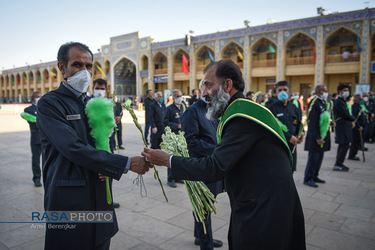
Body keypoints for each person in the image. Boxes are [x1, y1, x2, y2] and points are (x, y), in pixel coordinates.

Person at [143, 59, 306, 250]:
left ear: (228, 85)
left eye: (208, 85)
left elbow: (215, 167)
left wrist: (167, 160)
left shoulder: (241, 117)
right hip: (262, 200)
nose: (203, 93)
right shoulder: (241, 110)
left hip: (265, 209)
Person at [36, 42, 151, 250]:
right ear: (62, 67)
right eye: (77, 65)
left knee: (100, 241)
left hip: (99, 192)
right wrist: (126, 163)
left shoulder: (92, 103)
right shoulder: (50, 104)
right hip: (69, 196)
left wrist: (106, 165)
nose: (84, 72)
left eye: (88, 66)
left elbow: (101, 143)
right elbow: (72, 148)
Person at [182, 79, 224, 249]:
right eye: (206, 87)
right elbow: (190, 142)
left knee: (204, 206)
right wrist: (217, 149)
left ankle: (200, 236)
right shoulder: (192, 111)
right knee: (203, 208)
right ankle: (206, 245)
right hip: (200, 168)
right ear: (201, 90)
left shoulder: (214, 111)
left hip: (213, 166)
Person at [268, 81, 304, 173]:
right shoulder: (271, 108)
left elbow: (298, 123)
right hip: (278, 147)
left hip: (292, 147)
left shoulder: (293, 107)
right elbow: (272, 127)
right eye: (280, 90)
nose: (282, 92)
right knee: (279, 173)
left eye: (285, 90)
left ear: (289, 92)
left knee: (290, 171)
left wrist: (300, 134)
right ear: (275, 93)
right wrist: (289, 137)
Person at [303, 84, 332, 187]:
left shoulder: (323, 102)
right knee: (313, 158)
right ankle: (308, 178)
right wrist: (318, 137)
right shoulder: (314, 103)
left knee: (320, 157)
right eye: (325, 91)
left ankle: (315, 175)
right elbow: (313, 122)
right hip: (316, 137)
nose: (326, 93)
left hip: (323, 135)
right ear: (319, 92)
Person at [163, 89, 186, 187]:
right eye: (177, 96)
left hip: (181, 137)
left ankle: (178, 177)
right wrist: (177, 126)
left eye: (181, 95)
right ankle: (170, 178)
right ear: (173, 97)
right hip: (173, 137)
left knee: (180, 157)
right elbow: (165, 123)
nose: (180, 98)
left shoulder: (183, 107)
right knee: (172, 157)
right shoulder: (169, 109)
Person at [333, 84, 355, 172]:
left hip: (345, 125)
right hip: (342, 126)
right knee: (345, 144)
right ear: (340, 91)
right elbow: (345, 114)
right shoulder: (339, 101)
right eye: (345, 90)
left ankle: (339, 162)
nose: (347, 92)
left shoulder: (343, 101)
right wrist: (353, 119)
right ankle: (338, 163)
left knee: (343, 144)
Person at [23, 91, 43, 187]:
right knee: (36, 160)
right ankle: (36, 178)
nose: (39, 98)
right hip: (36, 139)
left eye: (40, 96)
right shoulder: (28, 110)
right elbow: (34, 122)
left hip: (46, 138)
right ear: (32, 99)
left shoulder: (45, 107)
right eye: (37, 97)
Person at [348, 94, 366, 161]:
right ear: (357, 100)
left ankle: (354, 154)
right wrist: (358, 126)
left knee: (357, 142)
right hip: (356, 127)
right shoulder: (354, 107)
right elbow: (355, 118)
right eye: (360, 99)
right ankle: (352, 155)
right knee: (355, 142)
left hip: (360, 126)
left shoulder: (359, 106)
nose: (362, 101)